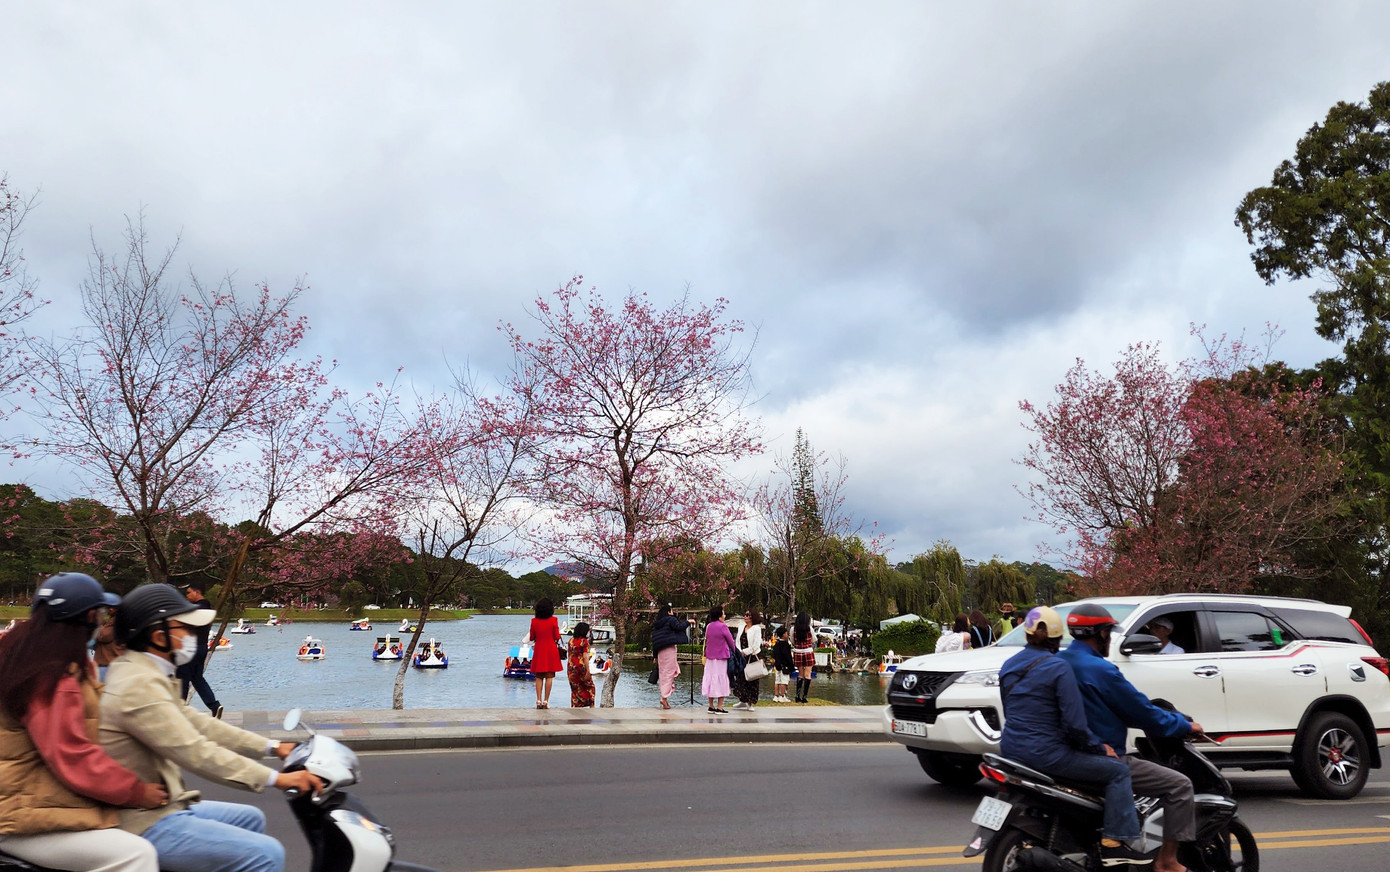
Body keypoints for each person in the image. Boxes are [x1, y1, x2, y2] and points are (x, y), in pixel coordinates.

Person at [100, 583, 323, 872]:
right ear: (158, 637)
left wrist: (272, 747)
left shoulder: (145, 673)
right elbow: (194, 751)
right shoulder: (138, 685)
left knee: (250, 818)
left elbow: (199, 723)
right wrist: (278, 780)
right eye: (184, 628)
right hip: (143, 819)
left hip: (162, 806)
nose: (192, 635)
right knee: (267, 854)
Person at [0, 573, 166, 872]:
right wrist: (137, 791)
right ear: (85, 618)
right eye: (99, 614)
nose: (102, 623)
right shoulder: (49, 676)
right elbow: (72, 755)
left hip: (33, 804)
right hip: (20, 818)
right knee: (136, 855)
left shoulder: (22, 653)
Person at [998, 606, 1150, 868]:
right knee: (1117, 772)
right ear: (1058, 637)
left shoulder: (1008, 665)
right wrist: (1101, 749)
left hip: (1010, 750)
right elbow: (1075, 725)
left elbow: (1010, 709)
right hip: (1047, 755)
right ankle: (1116, 843)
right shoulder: (1058, 667)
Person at [1062, 604, 1200, 872]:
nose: (1111, 638)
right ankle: (1168, 861)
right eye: (1109, 633)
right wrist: (1184, 725)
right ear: (1101, 634)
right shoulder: (1101, 670)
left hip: (1065, 753)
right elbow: (1142, 712)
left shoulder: (1059, 663)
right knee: (1180, 786)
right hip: (1103, 755)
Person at [175, 584, 223, 719]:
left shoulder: (202, 606)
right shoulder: (201, 608)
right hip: (201, 647)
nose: (187, 596)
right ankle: (214, 705)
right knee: (197, 679)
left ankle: (181, 709)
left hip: (192, 648)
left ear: (197, 592)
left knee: (182, 677)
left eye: (189, 593)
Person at [650, 605, 690, 710]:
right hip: (669, 650)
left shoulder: (658, 625)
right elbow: (679, 627)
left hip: (660, 653)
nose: (673, 613)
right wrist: (688, 622)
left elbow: (655, 642)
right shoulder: (670, 620)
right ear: (668, 612)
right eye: (672, 611)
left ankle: (665, 700)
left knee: (664, 674)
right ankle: (664, 697)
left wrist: (655, 656)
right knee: (668, 674)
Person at [526, 597, 563, 709]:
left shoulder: (534, 621)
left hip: (539, 649)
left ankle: (538, 700)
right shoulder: (553, 620)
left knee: (539, 676)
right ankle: (546, 701)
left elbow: (532, 637)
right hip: (551, 649)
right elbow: (557, 636)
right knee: (549, 676)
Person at [701, 605, 735, 714]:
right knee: (721, 679)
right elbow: (730, 641)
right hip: (721, 657)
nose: (724, 616)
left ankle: (711, 706)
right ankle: (719, 707)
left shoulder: (709, 626)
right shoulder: (723, 626)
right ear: (720, 616)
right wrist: (735, 651)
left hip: (710, 657)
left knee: (711, 678)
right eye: (723, 613)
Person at [729, 608, 765, 711]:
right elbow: (737, 641)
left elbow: (756, 644)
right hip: (741, 656)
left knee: (752, 679)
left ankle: (750, 703)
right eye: (745, 615)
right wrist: (739, 651)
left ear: (752, 617)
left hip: (751, 656)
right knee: (741, 679)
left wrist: (746, 651)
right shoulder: (741, 627)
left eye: (747, 615)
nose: (745, 617)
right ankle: (742, 700)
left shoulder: (756, 629)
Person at [566, 622, 595, 708]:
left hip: (571, 667)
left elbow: (569, 654)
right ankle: (591, 704)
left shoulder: (571, 641)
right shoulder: (584, 641)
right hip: (581, 666)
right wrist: (588, 670)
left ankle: (575, 705)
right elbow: (585, 656)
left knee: (575, 688)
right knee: (589, 686)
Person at [790, 612, 816, 703]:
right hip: (808, 652)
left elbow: (792, 640)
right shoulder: (810, 629)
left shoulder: (793, 629)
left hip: (798, 652)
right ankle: (804, 697)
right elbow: (814, 640)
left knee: (800, 674)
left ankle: (797, 696)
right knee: (808, 675)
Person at [771, 625, 794, 702]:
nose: (787, 635)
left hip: (777, 665)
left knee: (777, 681)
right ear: (784, 634)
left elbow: (774, 655)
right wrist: (791, 665)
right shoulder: (786, 644)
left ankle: (776, 695)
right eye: (786, 633)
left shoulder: (776, 644)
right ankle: (782, 695)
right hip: (785, 666)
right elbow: (788, 656)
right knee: (784, 681)